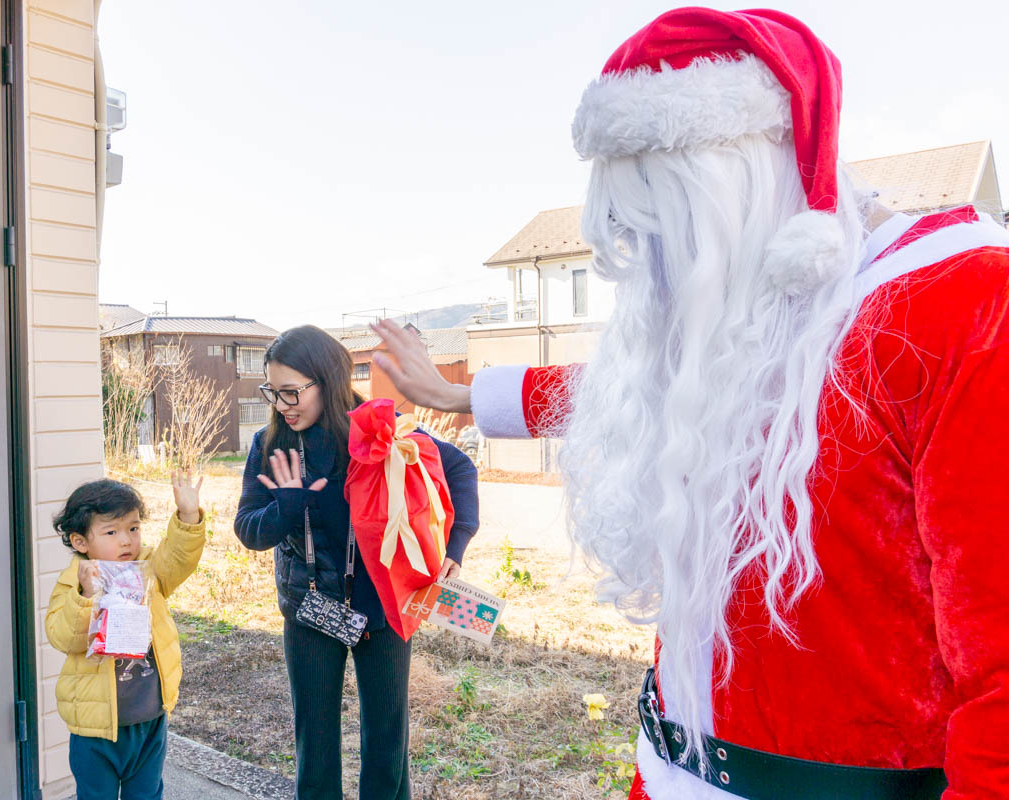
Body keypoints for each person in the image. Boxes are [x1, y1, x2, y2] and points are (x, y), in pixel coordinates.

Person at [372, 8, 1009, 800]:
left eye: (671, 227)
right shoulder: (746, 308)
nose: (655, 267)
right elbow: (631, 384)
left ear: (741, 181)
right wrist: (464, 395)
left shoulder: (962, 304)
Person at [233, 324, 479, 800]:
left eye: (291, 392)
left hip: (386, 609)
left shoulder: (381, 430)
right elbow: (248, 529)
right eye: (273, 392)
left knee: (387, 746)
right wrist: (287, 505)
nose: (282, 405)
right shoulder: (270, 445)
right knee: (315, 748)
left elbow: (458, 468)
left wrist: (455, 547)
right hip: (309, 611)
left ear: (326, 380)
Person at [46, 472, 206, 800]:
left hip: (149, 718)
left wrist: (188, 516)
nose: (126, 541)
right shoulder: (71, 584)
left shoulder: (148, 568)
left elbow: (177, 559)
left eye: (133, 528)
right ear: (80, 542)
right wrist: (87, 597)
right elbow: (65, 636)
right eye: (111, 531)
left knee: (147, 794)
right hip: (95, 729)